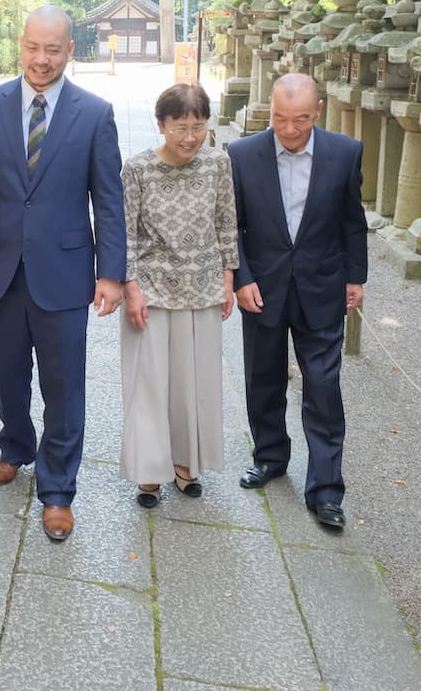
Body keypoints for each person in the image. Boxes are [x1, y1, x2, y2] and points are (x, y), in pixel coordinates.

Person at [0, 5, 127, 541]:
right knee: (6, 374)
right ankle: (14, 449)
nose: (41, 59)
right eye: (33, 47)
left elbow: (108, 198)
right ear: (20, 44)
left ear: (70, 51)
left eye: (53, 49)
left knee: (63, 384)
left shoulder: (94, 113)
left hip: (65, 269)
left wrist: (112, 272)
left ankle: (58, 489)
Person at [228, 72, 367, 530]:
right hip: (263, 287)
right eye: (281, 119)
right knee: (263, 379)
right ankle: (270, 456)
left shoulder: (344, 152)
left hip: (323, 285)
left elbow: (352, 220)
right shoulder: (242, 155)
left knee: (323, 388)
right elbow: (233, 228)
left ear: (318, 111)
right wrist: (240, 279)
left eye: (301, 120)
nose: (289, 130)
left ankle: (326, 490)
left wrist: (355, 277)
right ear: (270, 109)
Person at [120, 83, 238, 508]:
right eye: (180, 127)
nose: (190, 137)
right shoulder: (136, 169)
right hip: (150, 287)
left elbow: (227, 222)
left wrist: (227, 279)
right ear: (161, 125)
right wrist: (130, 287)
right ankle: (149, 472)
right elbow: (125, 234)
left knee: (196, 382)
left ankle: (186, 464)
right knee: (150, 382)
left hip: (203, 284)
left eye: (199, 126)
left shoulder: (218, 163)